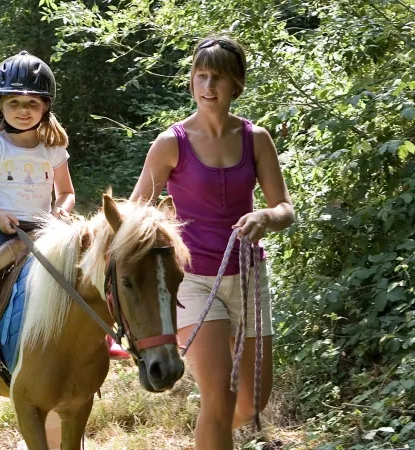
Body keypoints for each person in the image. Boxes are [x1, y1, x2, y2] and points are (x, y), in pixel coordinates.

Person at [130, 35, 294, 449]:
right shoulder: (171, 143)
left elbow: (285, 210)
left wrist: (265, 215)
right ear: (191, 80)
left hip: (249, 276)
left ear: (235, 84)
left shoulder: (256, 138)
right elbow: (134, 213)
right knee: (218, 400)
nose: (208, 86)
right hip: (193, 281)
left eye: (218, 77)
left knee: (252, 403)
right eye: (201, 75)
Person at [0, 50, 75, 375]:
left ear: (46, 105)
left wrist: (61, 211)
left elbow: (66, 193)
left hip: (44, 228)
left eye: (32, 103)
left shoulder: (53, 149)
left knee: (84, 268)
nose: (24, 111)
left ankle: (102, 339)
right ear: (1, 105)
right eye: (15, 103)